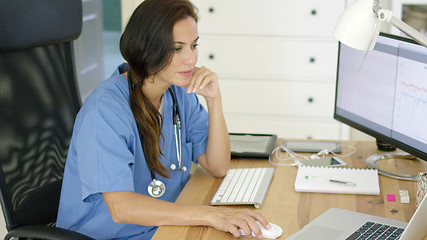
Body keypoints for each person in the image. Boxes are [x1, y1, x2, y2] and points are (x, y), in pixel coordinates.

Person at [56, 0, 271, 239]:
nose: (190, 59)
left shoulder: (178, 93)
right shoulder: (104, 111)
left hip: (162, 225)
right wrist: (210, 215)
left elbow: (217, 166)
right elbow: (121, 207)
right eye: (177, 49)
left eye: (194, 45)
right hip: (110, 234)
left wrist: (214, 99)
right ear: (146, 49)